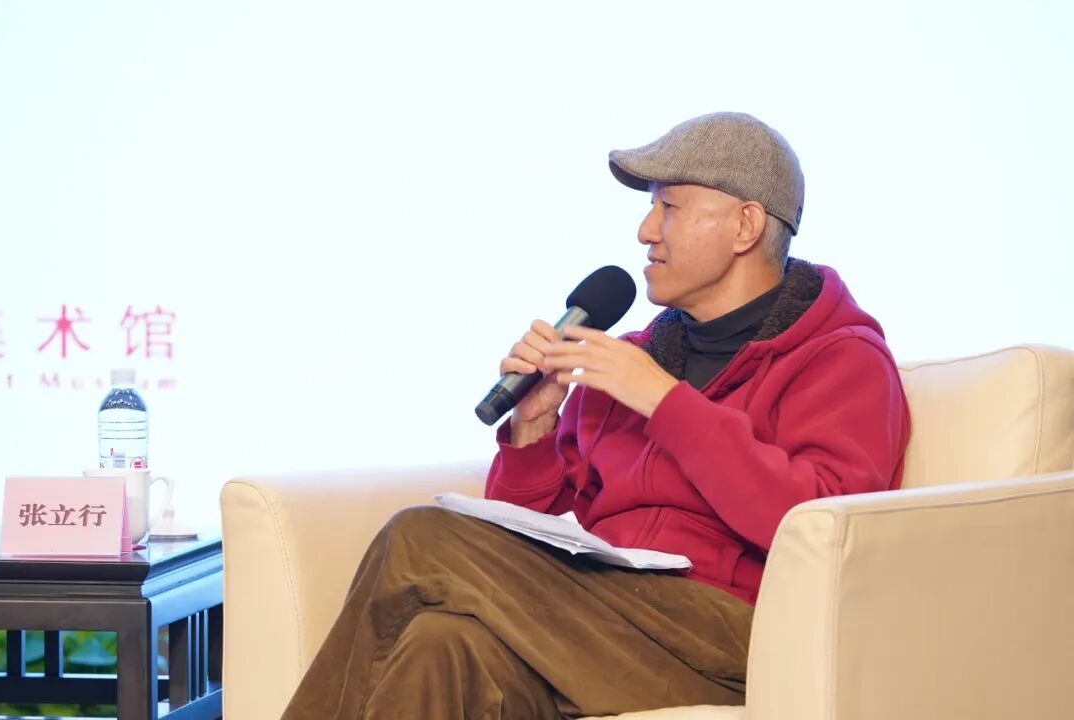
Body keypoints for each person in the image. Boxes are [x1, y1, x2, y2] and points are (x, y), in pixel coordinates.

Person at [281, 112, 910, 720]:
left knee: (421, 539)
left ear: (745, 225)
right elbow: (532, 540)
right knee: (439, 647)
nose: (645, 231)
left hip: (733, 633)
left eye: (669, 207)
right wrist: (533, 430)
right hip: (602, 618)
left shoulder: (840, 357)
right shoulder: (629, 359)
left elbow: (823, 529)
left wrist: (666, 403)